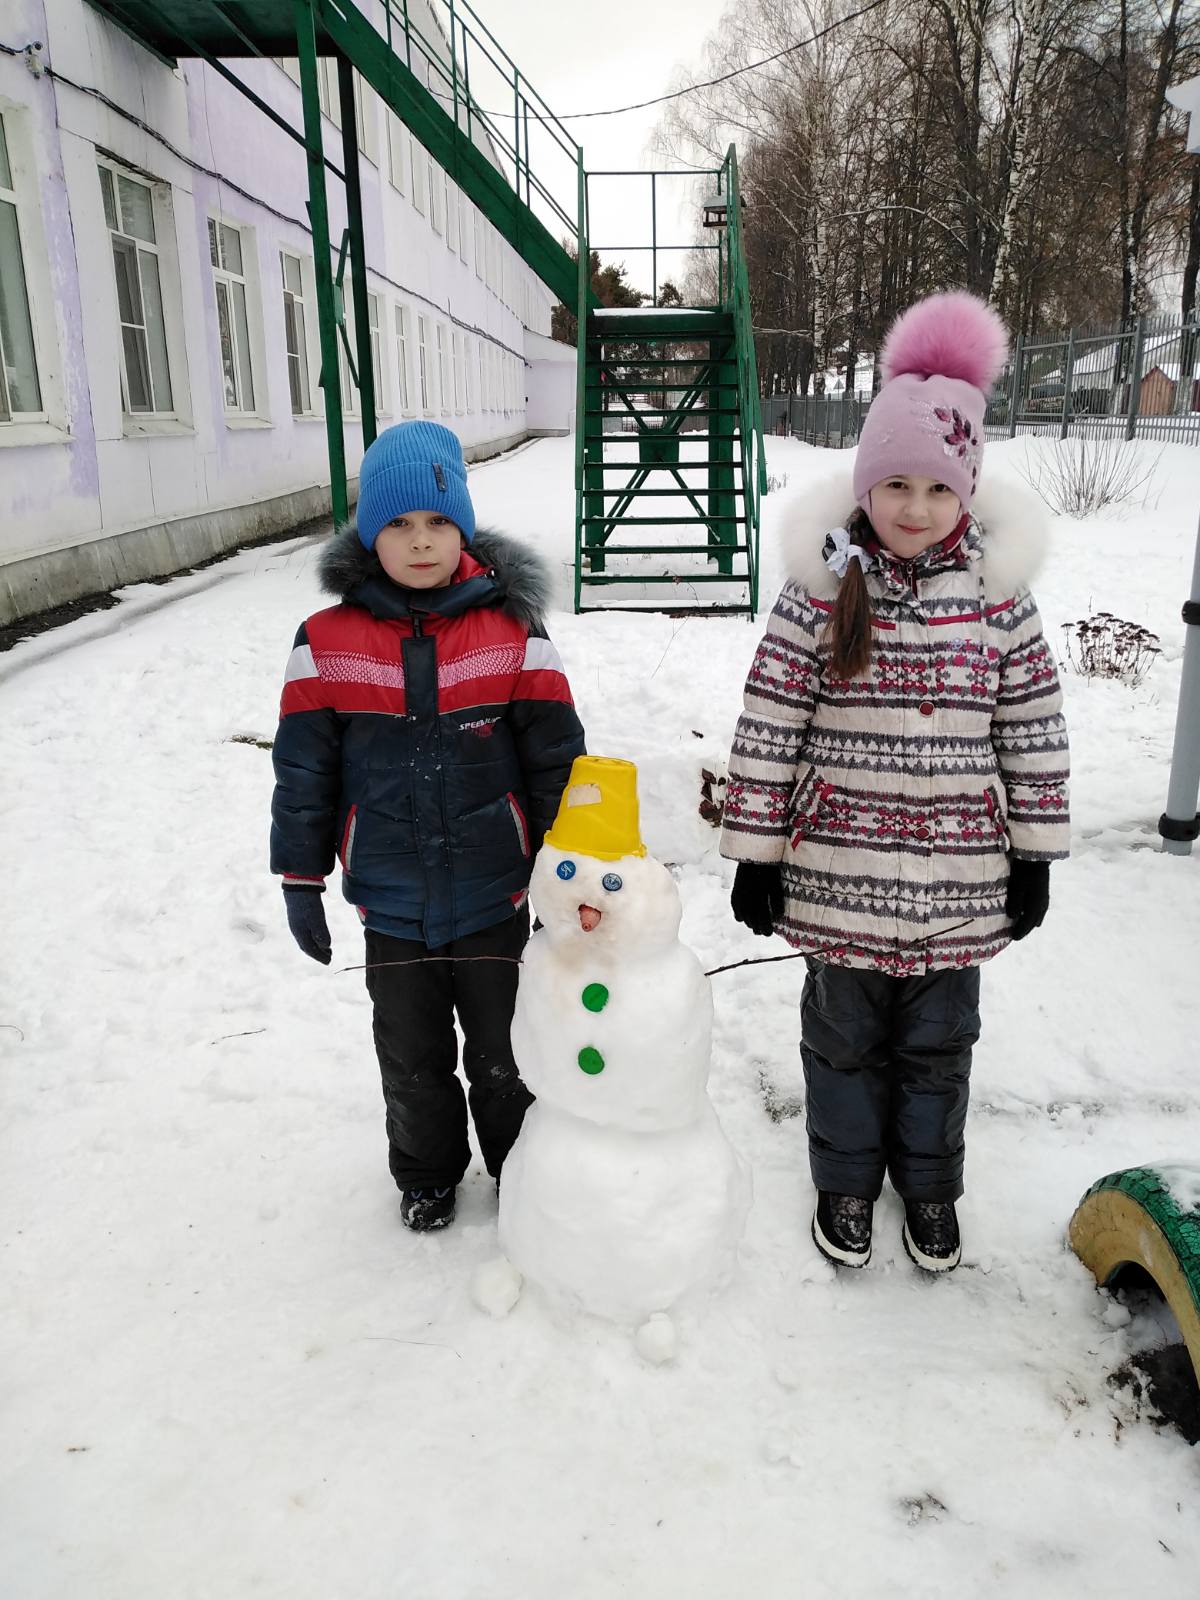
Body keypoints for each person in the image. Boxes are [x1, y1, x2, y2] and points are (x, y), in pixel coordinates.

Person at [720, 292, 1069, 1273]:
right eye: (896, 484)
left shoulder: (997, 599)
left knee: (940, 1049)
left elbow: (1032, 728)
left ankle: (930, 1189)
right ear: (866, 482)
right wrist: (756, 854)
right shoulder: (823, 588)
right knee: (841, 1043)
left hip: (958, 887)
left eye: (939, 489)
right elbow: (771, 721)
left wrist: (1034, 854)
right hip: (838, 877)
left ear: (968, 491)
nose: (916, 509)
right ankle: (844, 1178)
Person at [270, 420, 585, 1232]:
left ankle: (521, 1168)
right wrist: (301, 878)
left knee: (505, 1052)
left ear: (464, 529)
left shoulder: (513, 632)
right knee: (410, 1059)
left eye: (439, 522)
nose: (420, 542)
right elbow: (305, 771)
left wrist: (569, 873)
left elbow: (557, 762)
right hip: (391, 899)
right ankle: (426, 1172)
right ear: (369, 534)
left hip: (492, 892)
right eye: (400, 524)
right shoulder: (326, 643)